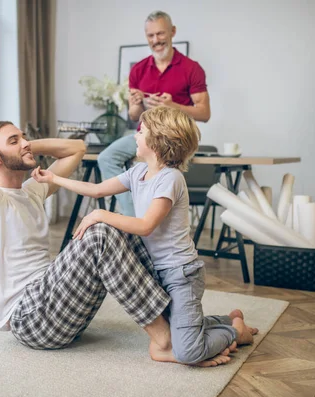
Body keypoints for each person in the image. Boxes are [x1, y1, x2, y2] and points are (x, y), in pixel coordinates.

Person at [0, 121, 217, 365]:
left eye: (24, 137)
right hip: (30, 318)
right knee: (99, 235)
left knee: (124, 229)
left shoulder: (32, 190)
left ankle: (184, 329)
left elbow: (76, 149)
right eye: (14, 140)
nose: (25, 142)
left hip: (57, 304)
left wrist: (24, 145)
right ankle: (163, 340)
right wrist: (2, 146)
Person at [33, 107, 258, 367]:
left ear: (159, 141)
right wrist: (54, 178)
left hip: (181, 275)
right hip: (157, 273)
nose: (135, 136)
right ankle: (227, 320)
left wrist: (100, 215)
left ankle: (235, 332)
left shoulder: (170, 179)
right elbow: (95, 190)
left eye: (141, 131)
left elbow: (145, 225)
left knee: (188, 353)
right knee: (181, 330)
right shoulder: (137, 173)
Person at [98, 10, 211, 217]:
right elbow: (134, 116)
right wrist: (136, 103)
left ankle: (152, 225)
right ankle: (133, 216)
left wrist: (174, 106)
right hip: (146, 134)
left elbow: (204, 113)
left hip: (175, 137)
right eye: (151, 36)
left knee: (156, 171)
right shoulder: (138, 70)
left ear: (172, 32)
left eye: (160, 34)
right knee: (106, 158)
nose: (156, 40)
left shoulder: (191, 68)